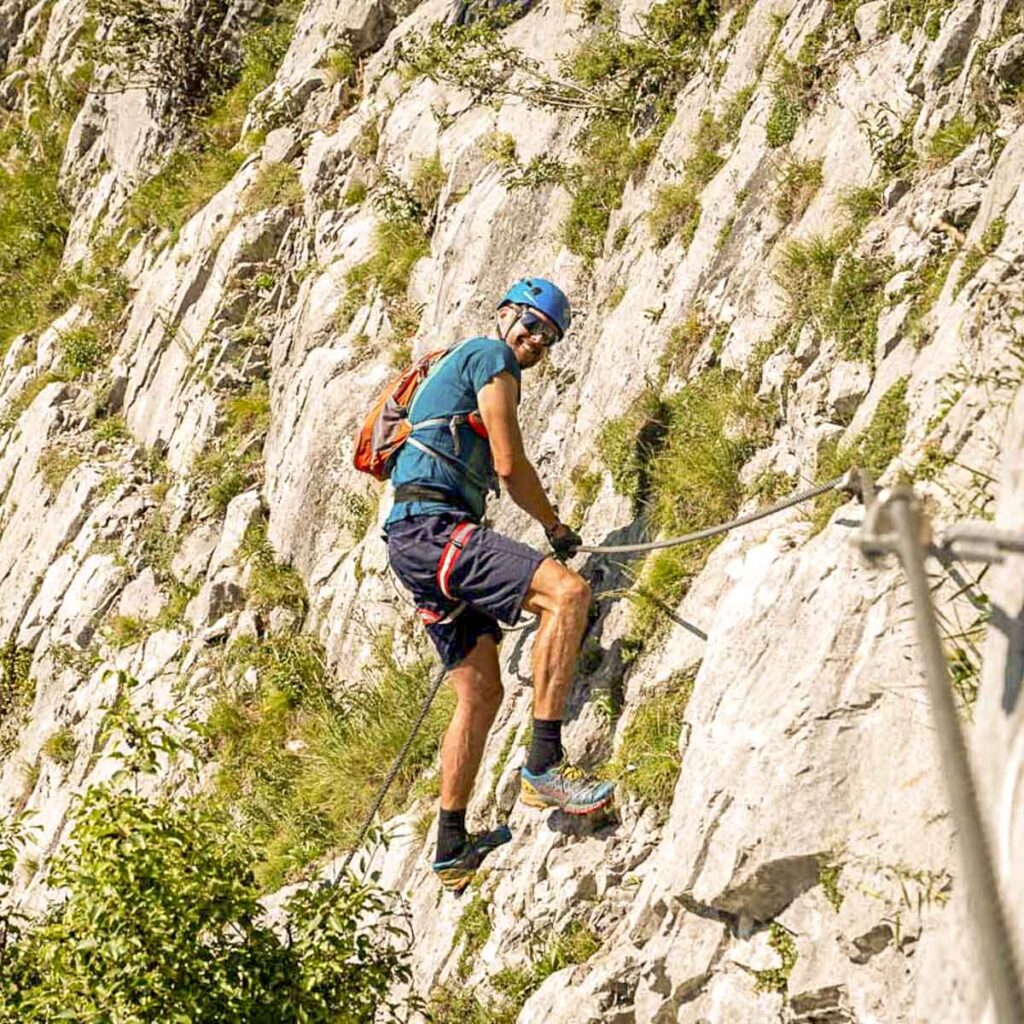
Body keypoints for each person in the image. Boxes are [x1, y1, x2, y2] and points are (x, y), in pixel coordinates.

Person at [385, 278, 614, 892]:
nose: (536, 341)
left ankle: (450, 846)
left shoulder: (456, 365)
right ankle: (544, 765)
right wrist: (555, 528)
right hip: (436, 530)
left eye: (548, 337)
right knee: (567, 595)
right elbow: (510, 467)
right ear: (505, 315)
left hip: (414, 541)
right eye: (531, 325)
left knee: (481, 692)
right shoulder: (490, 357)